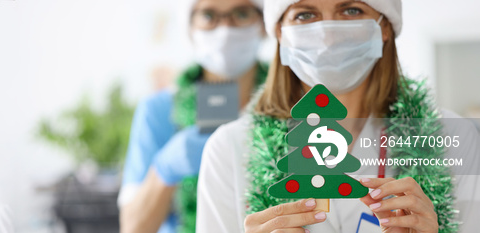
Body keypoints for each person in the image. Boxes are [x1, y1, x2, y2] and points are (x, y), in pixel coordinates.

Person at [196, 0, 480, 232]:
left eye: (351, 10)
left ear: (384, 27)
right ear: (280, 32)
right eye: (305, 14)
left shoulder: (452, 137)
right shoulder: (229, 148)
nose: (327, 36)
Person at [117, 0, 268, 232]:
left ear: (265, 24)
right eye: (208, 16)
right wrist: (164, 169)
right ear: (189, 27)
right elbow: (133, 227)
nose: (225, 29)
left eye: (242, 13)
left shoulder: (295, 101)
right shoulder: (158, 109)